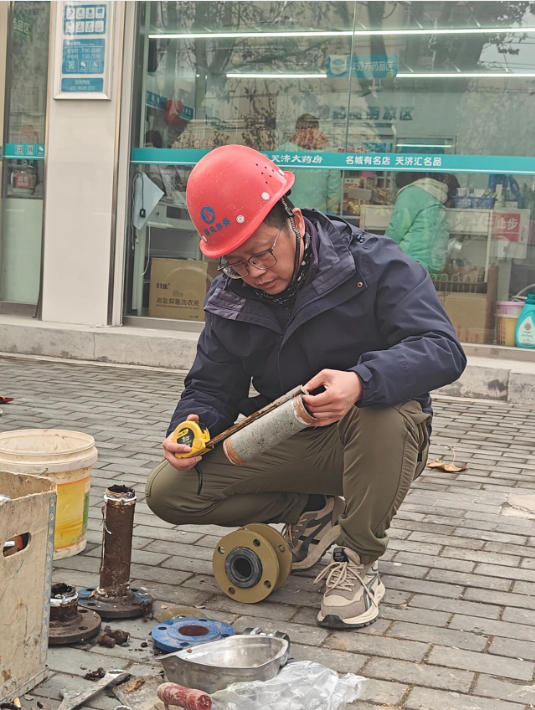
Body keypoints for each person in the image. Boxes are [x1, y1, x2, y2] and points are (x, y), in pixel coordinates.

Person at [146, 145, 466, 629]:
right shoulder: (230, 295)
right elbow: (211, 386)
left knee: (383, 411)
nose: (254, 273)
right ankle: (314, 510)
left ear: (293, 221)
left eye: (261, 253)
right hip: (289, 437)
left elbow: (443, 349)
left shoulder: (373, 264)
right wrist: (191, 426)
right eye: (235, 263)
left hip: (377, 441)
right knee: (168, 492)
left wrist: (360, 381)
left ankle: (358, 561)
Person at [385, 172, 454, 274]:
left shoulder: (411, 193)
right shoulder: (435, 194)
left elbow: (397, 228)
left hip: (411, 260)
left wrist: (382, 249)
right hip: (434, 262)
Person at [278, 113, 342, 213]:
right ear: (317, 131)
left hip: (288, 214)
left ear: (296, 130)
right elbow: (334, 193)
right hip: (317, 215)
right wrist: (331, 215)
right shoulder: (329, 155)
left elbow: (274, 186)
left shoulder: (282, 152)